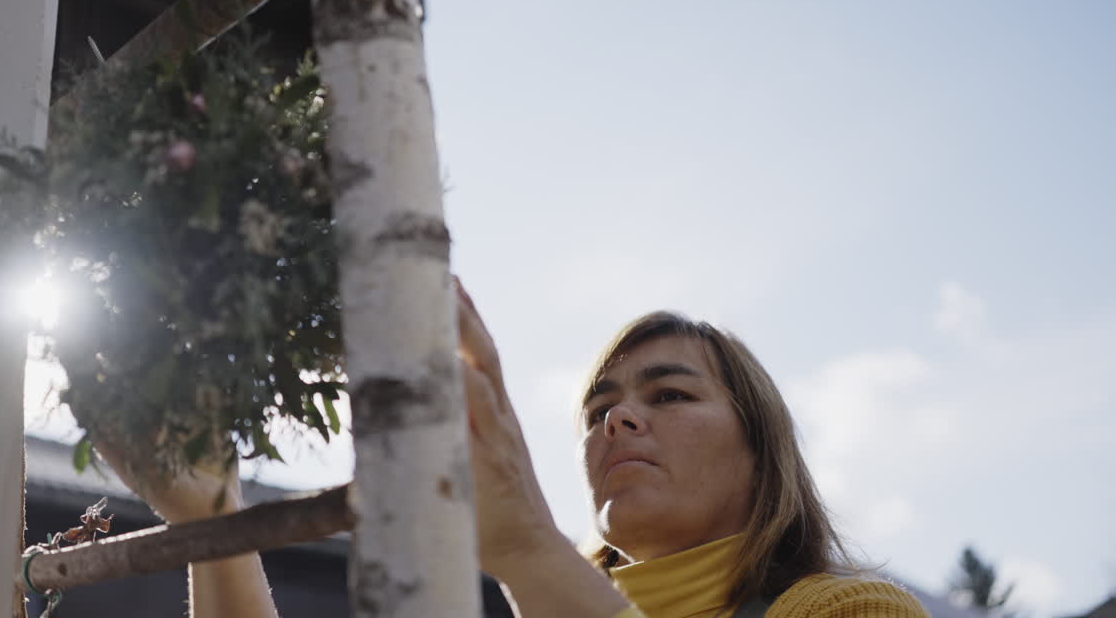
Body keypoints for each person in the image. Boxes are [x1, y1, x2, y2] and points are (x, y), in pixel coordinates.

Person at [100, 279, 931, 618]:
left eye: (670, 395)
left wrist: (530, 547)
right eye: (599, 408)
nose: (617, 421)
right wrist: (207, 518)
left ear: (765, 453)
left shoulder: (851, 611)